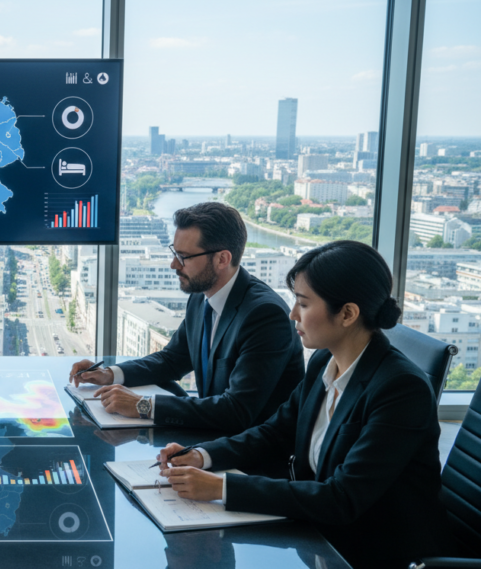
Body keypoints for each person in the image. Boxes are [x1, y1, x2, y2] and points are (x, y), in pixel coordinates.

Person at [157, 240, 451, 568]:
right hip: (316, 534)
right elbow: (275, 432)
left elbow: (342, 498)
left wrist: (221, 487)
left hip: (371, 551)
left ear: (348, 313)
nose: (292, 314)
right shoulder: (324, 360)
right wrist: (203, 455)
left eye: (304, 304)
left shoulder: (401, 389)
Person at [69, 202, 304, 433]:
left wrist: (143, 405)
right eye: (174, 253)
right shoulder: (202, 296)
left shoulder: (265, 315)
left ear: (222, 259)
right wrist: (110, 374)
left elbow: (237, 411)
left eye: (183, 257)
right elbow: (172, 359)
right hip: (213, 437)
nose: (173, 265)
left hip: (252, 457)